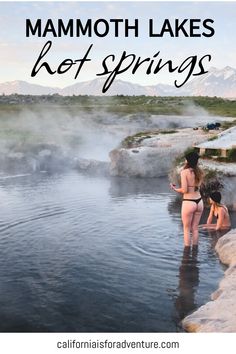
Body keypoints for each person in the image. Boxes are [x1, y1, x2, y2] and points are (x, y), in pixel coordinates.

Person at [170, 151, 204, 247]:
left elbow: (184, 190)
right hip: (199, 202)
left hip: (189, 202)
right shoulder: (200, 172)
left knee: (186, 229)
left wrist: (175, 189)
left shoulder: (184, 172)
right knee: (195, 228)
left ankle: (186, 257)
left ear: (187, 161)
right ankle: (195, 251)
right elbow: (196, 187)